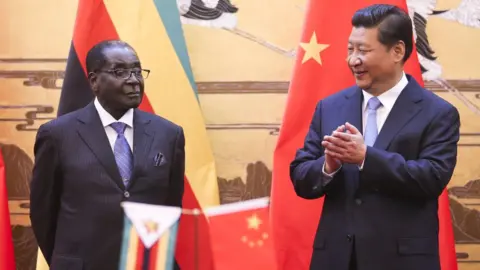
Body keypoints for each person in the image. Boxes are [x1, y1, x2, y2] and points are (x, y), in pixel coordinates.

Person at [290, 4, 460, 270]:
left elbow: (431, 178)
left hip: (402, 262)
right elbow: (300, 176)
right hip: (335, 259)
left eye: (363, 50)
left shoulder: (438, 113)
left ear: (398, 51)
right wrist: (328, 166)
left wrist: (366, 157)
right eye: (350, 49)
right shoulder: (330, 107)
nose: (353, 59)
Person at [29, 40, 185, 270]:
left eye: (137, 71)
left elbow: (171, 207)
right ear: (94, 81)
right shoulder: (58, 135)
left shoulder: (169, 134)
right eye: (120, 72)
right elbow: (43, 212)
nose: (133, 80)